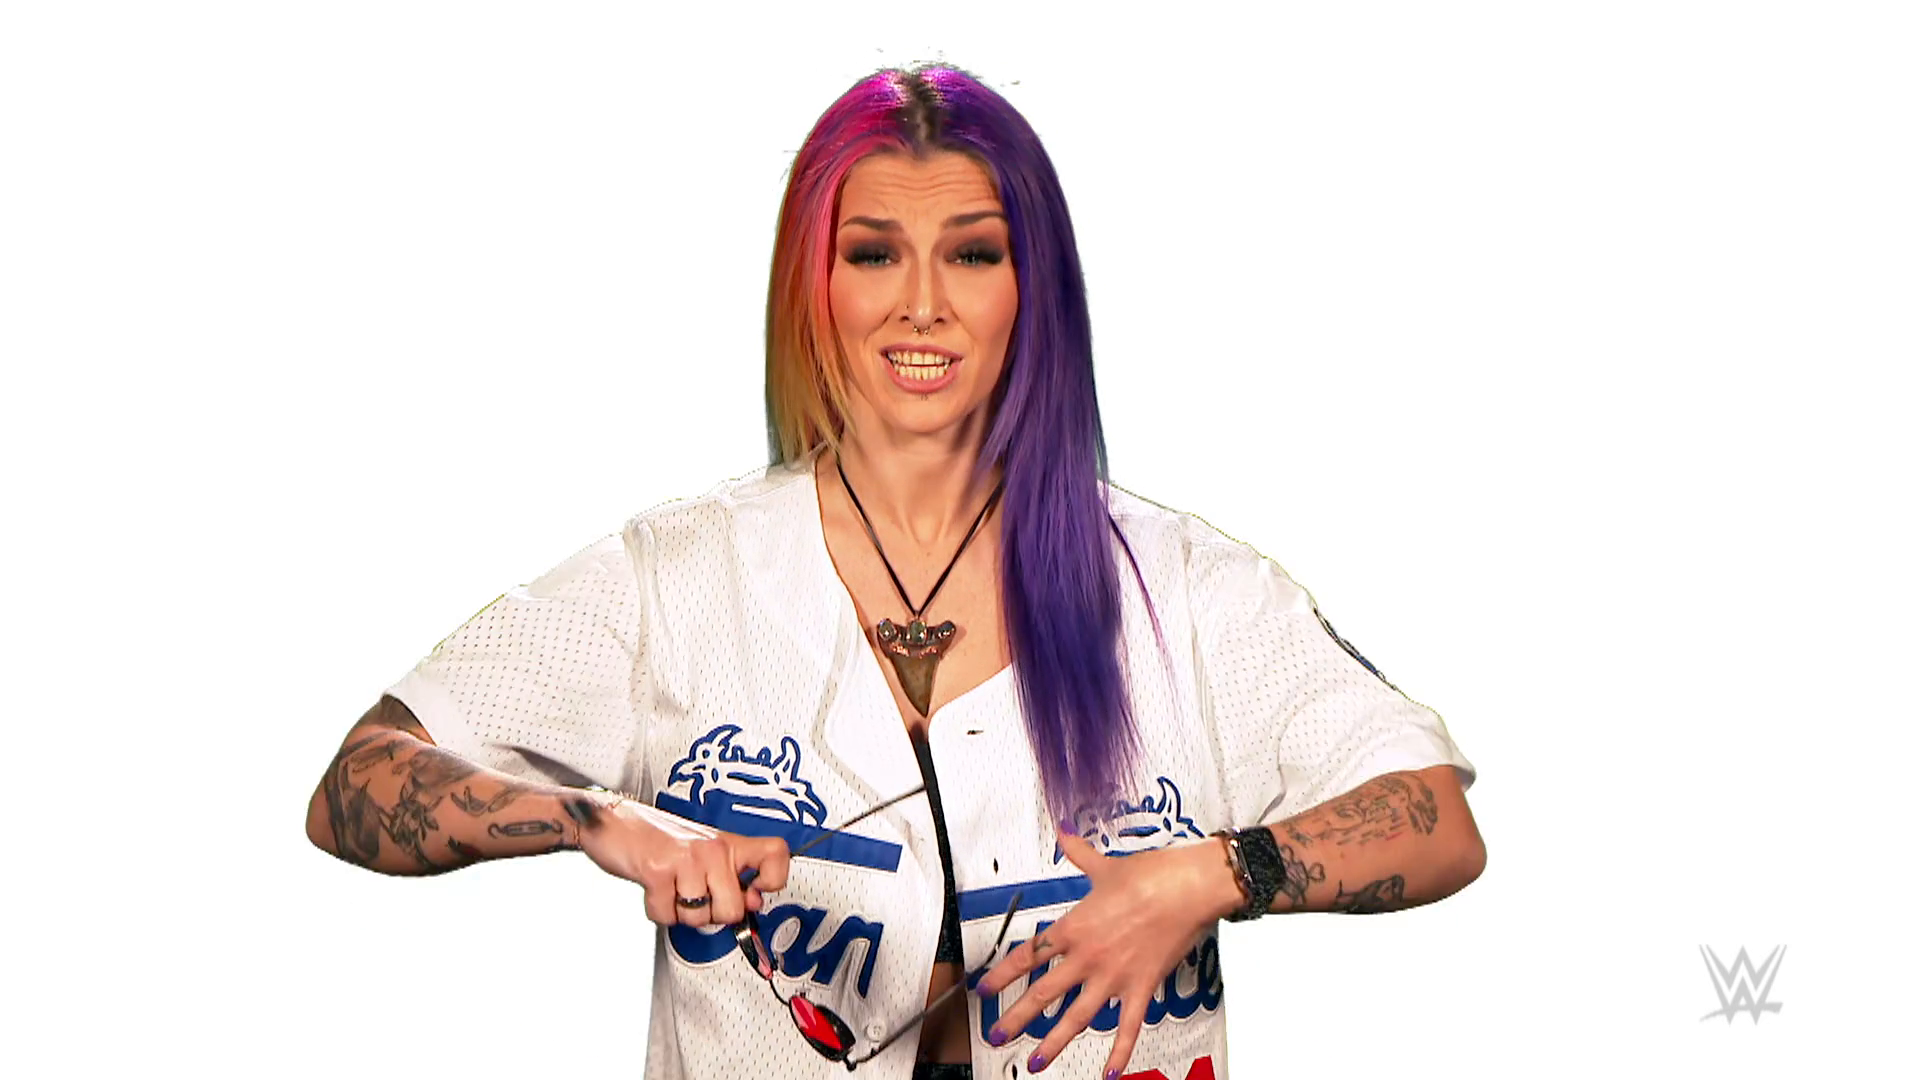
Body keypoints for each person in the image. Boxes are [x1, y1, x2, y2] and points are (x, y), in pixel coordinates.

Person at [305, 64, 1486, 1080]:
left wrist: (1210, 877)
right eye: (874, 253)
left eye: (972, 253)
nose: (923, 305)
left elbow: (1435, 819)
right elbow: (358, 781)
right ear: (813, 283)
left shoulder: (1182, 587)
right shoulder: (678, 577)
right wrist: (597, 821)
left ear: (1033, 290)